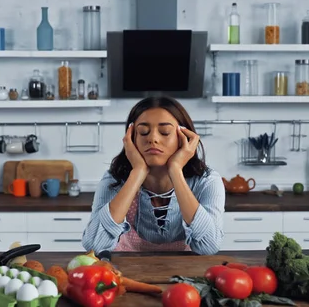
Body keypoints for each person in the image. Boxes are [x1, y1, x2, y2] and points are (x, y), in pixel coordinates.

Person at [81, 94, 226, 255]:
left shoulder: (207, 181)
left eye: (164, 132)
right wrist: (137, 173)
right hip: (127, 276)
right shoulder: (114, 180)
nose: (153, 139)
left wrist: (176, 170)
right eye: (143, 132)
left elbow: (209, 246)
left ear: (185, 138)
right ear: (131, 138)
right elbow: (94, 245)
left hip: (188, 277)